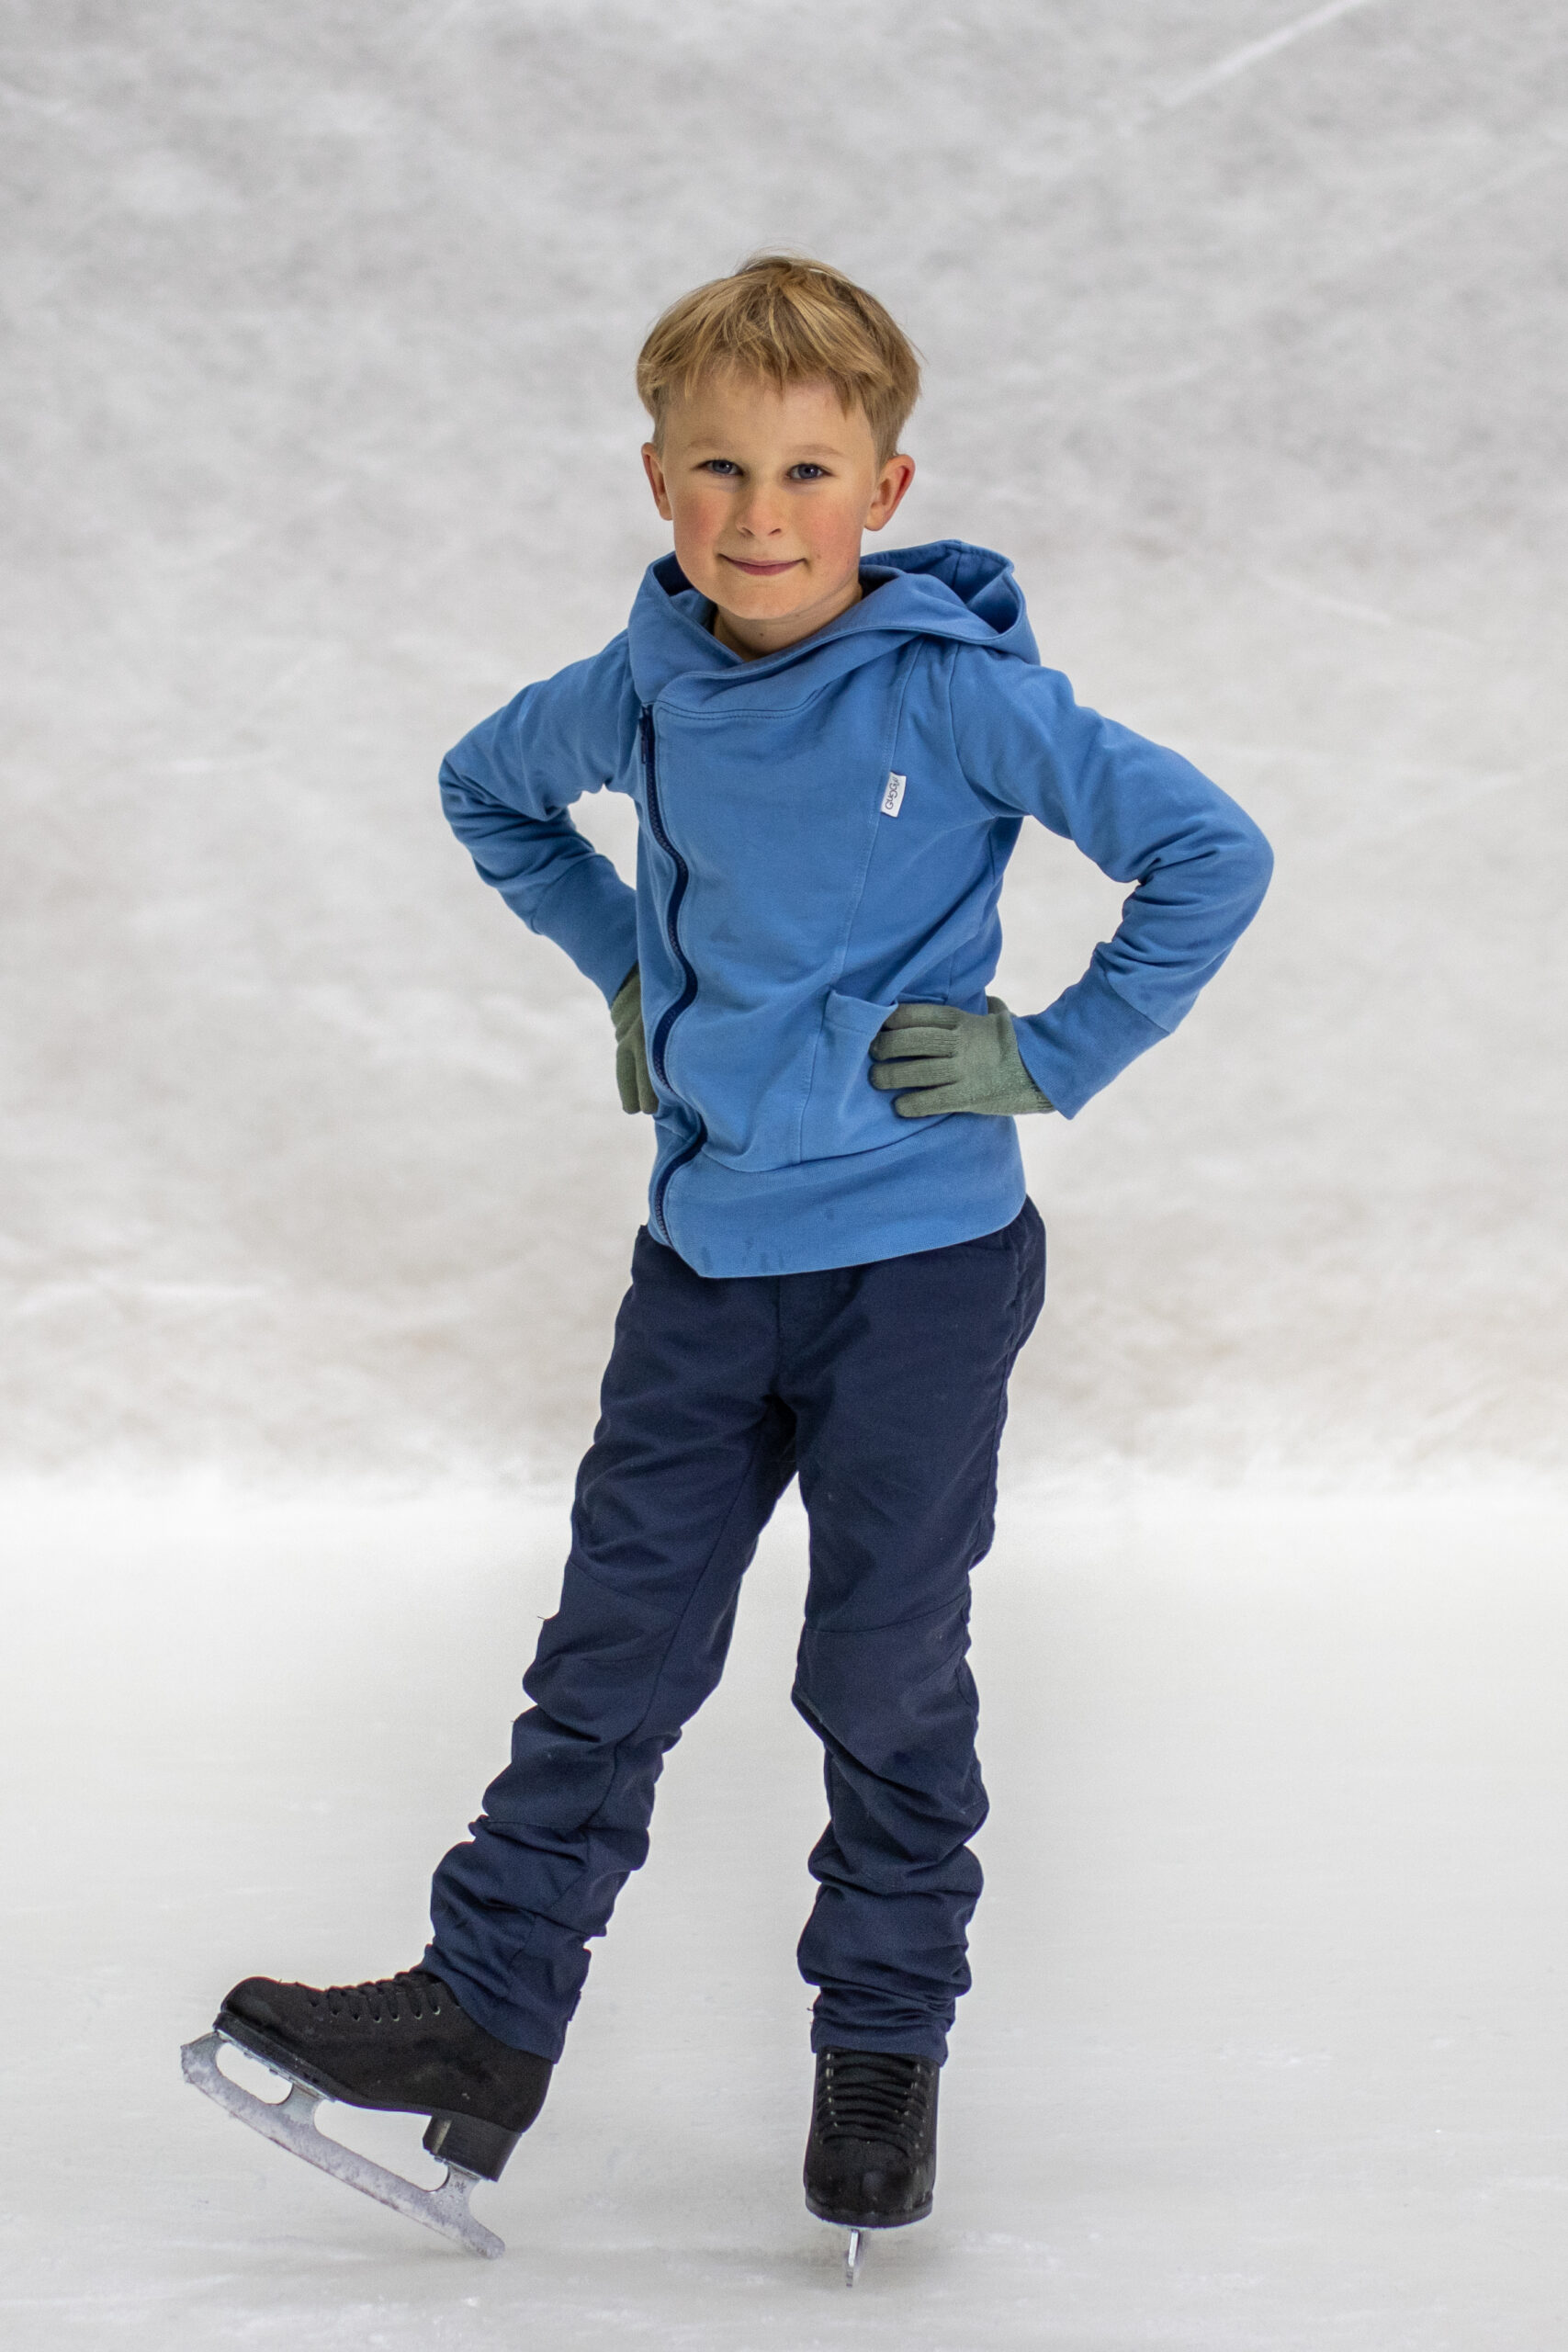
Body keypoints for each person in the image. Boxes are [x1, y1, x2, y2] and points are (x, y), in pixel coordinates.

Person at [201, 254, 1272, 2255]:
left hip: (919, 1268)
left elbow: (1210, 850)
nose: (758, 515)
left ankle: (880, 2048)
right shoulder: (638, 685)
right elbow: (487, 788)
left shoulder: (956, 694)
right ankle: (484, 2012)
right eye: (716, 467)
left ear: (885, 488)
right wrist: (630, 965)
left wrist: (1051, 1052)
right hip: (702, 1262)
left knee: (878, 1659)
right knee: (612, 1646)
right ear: (655, 477)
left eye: (804, 471)